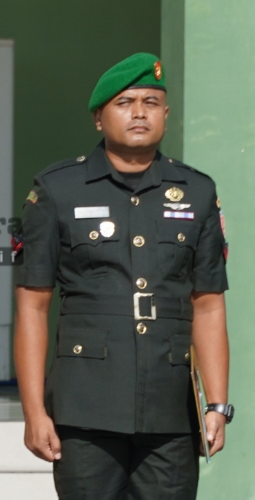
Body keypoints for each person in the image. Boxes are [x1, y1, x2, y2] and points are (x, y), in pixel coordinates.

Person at [14, 52, 231, 499]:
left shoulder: (197, 191)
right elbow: (33, 307)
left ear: (166, 114)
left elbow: (208, 304)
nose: (139, 113)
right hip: (86, 408)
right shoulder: (57, 189)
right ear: (99, 117)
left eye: (151, 103)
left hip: (171, 411)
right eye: (125, 103)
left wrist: (217, 404)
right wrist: (34, 412)